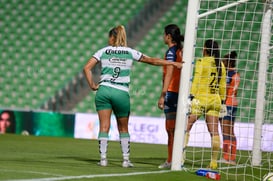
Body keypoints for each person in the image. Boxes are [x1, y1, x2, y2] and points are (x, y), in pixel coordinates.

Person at [83, 25, 183, 168]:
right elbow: (152, 60)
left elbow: (86, 68)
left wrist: (92, 85)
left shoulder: (103, 51)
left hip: (103, 90)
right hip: (120, 92)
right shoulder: (130, 52)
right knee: (123, 128)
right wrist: (172, 62)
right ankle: (125, 160)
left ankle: (103, 159)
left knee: (104, 127)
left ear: (112, 37)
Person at [184, 39, 226, 169]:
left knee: (186, 127)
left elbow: (196, 80)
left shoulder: (202, 62)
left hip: (201, 99)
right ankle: (214, 162)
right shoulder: (221, 65)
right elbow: (223, 85)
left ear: (206, 50)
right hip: (215, 100)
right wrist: (223, 100)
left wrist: (191, 95)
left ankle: (180, 156)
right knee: (214, 132)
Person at [157, 24, 184, 169]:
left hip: (172, 92)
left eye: (164, 34)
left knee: (170, 128)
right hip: (180, 92)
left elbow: (168, 73)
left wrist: (162, 94)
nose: (163, 37)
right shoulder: (181, 50)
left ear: (168, 36)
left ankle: (171, 160)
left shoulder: (171, 52)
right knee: (176, 128)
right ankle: (175, 158)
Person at [219, 51, 240, 165]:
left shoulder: (228, 74)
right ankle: (232, 157)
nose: (222, 62)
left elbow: (225, 90)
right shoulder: (236, 73)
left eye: (224, 61)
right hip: (234, 103)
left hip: (226, 103)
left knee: (225, 131)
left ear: (228, 62)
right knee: (231, 131)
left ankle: (227, 157)